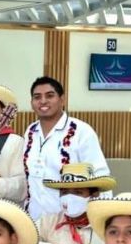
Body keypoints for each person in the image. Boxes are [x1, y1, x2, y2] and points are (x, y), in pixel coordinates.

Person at [23, 76, 109, 219]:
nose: (43, 101)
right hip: (35, 219)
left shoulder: (81, 131)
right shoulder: (30, 131)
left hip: (70, 222)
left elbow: (100, 176)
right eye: (37, 97)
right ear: (32, 103)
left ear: (62, 99)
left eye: (50, 95)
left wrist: (100, 218)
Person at [28, 163, 117, 244]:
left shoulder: (108, 226)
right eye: (64, 192)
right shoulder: (49, 221)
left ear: (94, 195)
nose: (69, 197)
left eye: (78, 192)